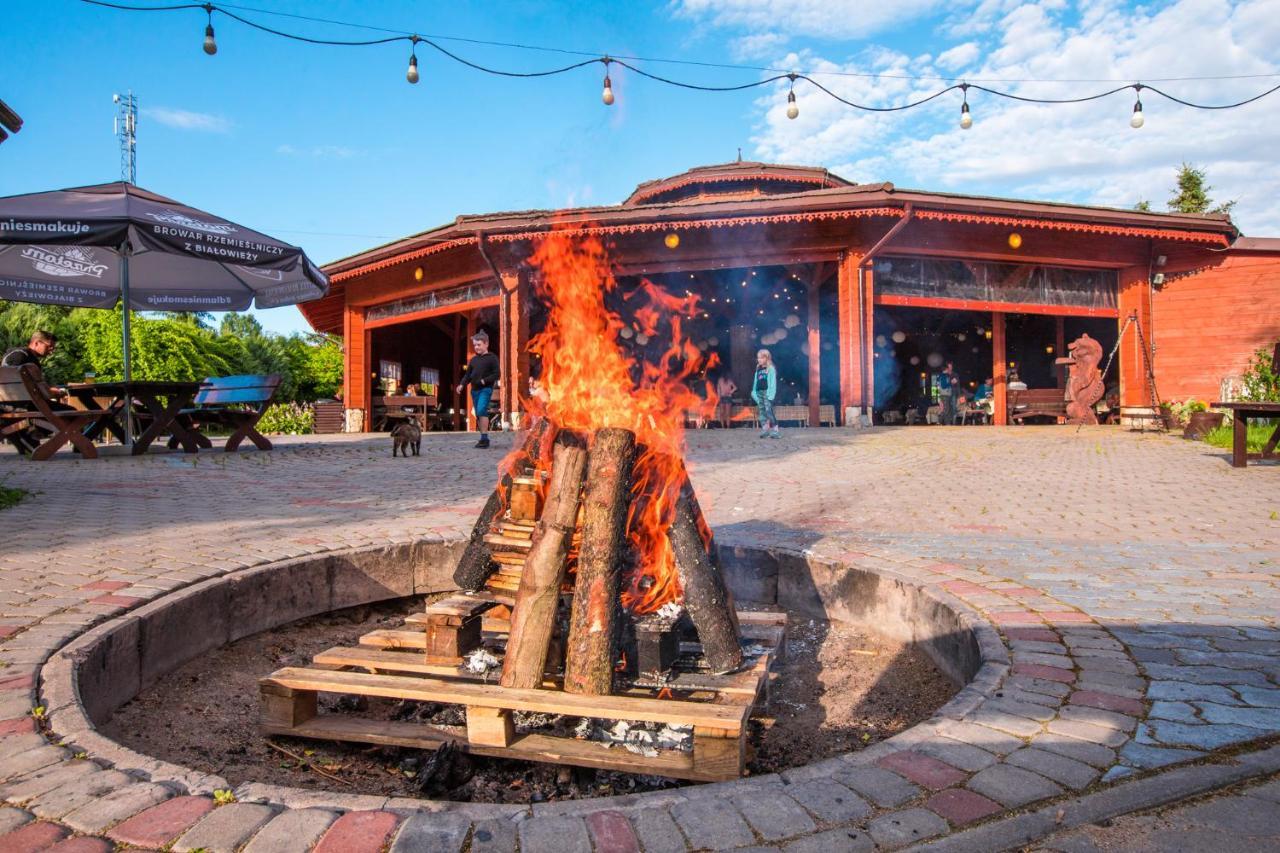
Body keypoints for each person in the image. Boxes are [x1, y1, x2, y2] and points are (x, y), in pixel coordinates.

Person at [455, 331, 500, 448]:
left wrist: (485, 381)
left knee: (480, 410)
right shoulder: (473, 360)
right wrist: (461, 385)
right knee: (479, 414)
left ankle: (485, 439)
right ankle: (483, 438)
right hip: (474, 390)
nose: (476, 347)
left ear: (486, 344)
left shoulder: (492, 358)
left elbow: (497, 374)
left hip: (486, 389)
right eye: (475, 345)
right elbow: (468, 375)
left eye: (479, 345)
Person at [752, 348, 780, 439]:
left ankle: (775, 430)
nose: (759, 360)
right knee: (762, 412)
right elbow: (755, 382)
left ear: (766, 358)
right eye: (758, 358)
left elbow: (772, 383)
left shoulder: (770, 369)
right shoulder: (758, 369)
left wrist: (770, 394)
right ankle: (765, 430)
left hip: (767, 393)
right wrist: (754, 392)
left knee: (769, 411)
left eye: (761, 358)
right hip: (759, 392)